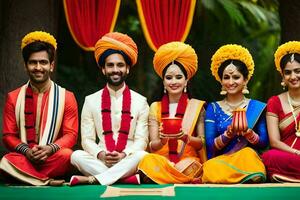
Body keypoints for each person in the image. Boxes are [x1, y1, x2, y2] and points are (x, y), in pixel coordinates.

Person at [70, 32, 149, 186]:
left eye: (120, 65)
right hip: (100, 158)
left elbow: (141, 140)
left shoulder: (140, 101)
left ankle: (95, 179)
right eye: (110, 65)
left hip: (128, 158)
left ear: (127, 69)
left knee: (143, 155)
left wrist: (124, 155)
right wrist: (100, 154)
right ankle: (124, 179)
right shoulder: (90, 100)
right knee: (76, 155)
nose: (115, 70)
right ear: (103, 69)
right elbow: (87, 139)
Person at [0, 31, 78, 186]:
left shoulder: (67, 97)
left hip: (52, 157)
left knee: (68, 155)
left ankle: (27, 177)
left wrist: (49, 149)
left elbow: (71, 135)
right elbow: (8, 135)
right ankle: (46, 180)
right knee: (7, 160)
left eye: (43, 62)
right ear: (25, 65)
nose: (38, 67)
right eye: (32, 62)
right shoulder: (13, 97)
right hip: (24, 156)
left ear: (51, 66)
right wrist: (27, 151)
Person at [138, 42, 206, 184]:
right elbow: (152, 145)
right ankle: (176, 177)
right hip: (161, 161)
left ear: (186, 80)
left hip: (187, 161)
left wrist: (185, 137)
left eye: (178, 77)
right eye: (169, 78)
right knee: (147, 160)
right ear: (163, 82)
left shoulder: (196, 106)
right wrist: (162, 141)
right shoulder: (155, 107)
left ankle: (162, 177)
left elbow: (201, 143)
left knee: (189, 167)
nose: (173, 82)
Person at [202, 44, 269, 183]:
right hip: (221, 161)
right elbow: (209, 145)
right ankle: (241, 177)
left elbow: (264, 143)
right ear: (221, 80)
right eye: (226, 77)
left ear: (245, 80)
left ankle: (238, 176)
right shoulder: (213, 108)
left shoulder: (256, 107)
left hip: (246, 158)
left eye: (236, 77)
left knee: (249, 154)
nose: (231, 82)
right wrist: (228, 134)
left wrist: (249, 134)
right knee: (210, 167)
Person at [262, 41, 300, 182]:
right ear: (283, 77)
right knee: (269, 157)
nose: (293, 76)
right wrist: (297, 152)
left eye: (298, 71)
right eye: (288, 72)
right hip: (287, 155)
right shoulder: (274, 102)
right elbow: (274, 141)